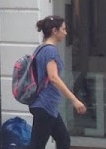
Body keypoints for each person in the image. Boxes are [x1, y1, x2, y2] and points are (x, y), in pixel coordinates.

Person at [29, 15, 87, 149]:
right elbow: (53, 77)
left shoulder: (41, 49)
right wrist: (74, 99)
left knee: (63, 140)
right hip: (45, 105)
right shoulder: (50, 51)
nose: (65, 33)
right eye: (64, 29)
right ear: (55, 31)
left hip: (46, 106)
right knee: (38, 145)